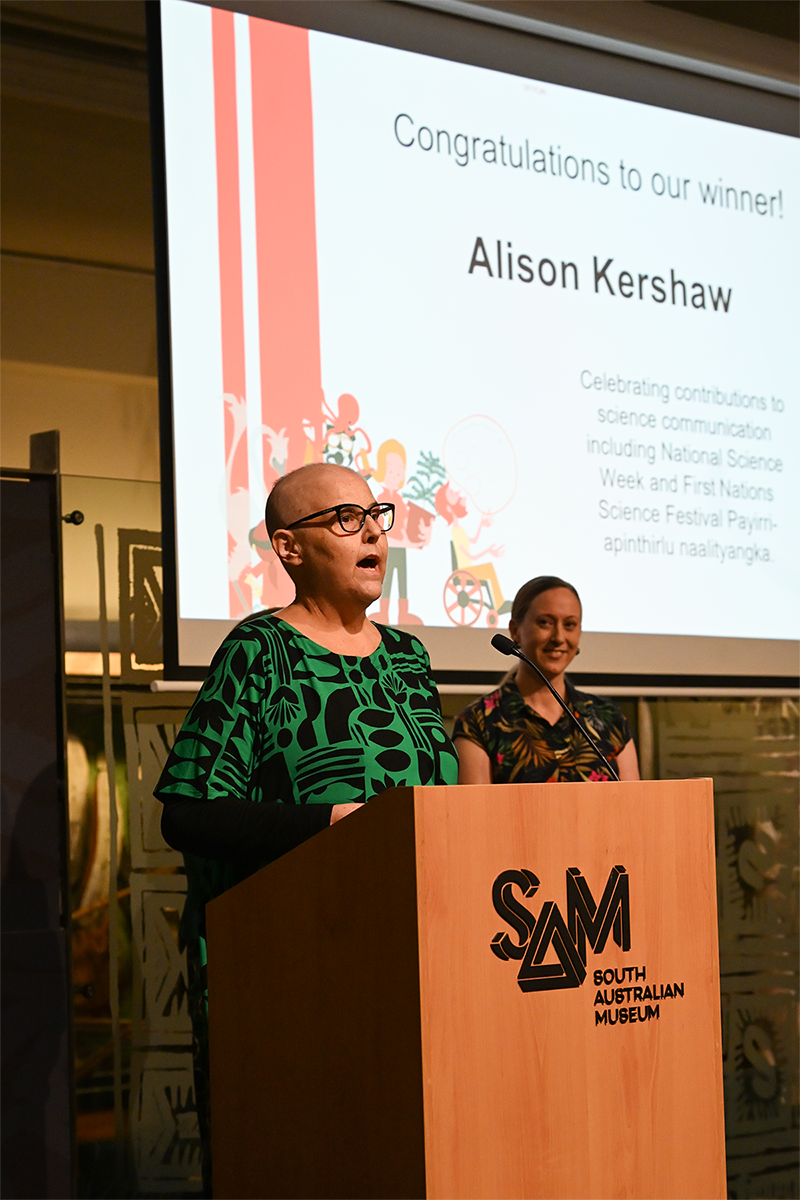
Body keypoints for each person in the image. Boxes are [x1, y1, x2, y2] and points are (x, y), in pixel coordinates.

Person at [155, 462, 458, 1193]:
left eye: (377, 517)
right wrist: (336, 823)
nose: (375, 535)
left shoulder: (409, 658)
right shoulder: (259, 653)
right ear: (290, 549)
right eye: (347, 520)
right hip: (289, 975)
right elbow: (190, 812)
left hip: (415, 966)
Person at [454, 575, 640, 783]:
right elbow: (474, 813)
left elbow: (633, 808)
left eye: (569, 625)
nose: (559, 638)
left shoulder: (609, 719)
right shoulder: (479, 721)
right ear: (515, 631)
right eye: (545, 623)